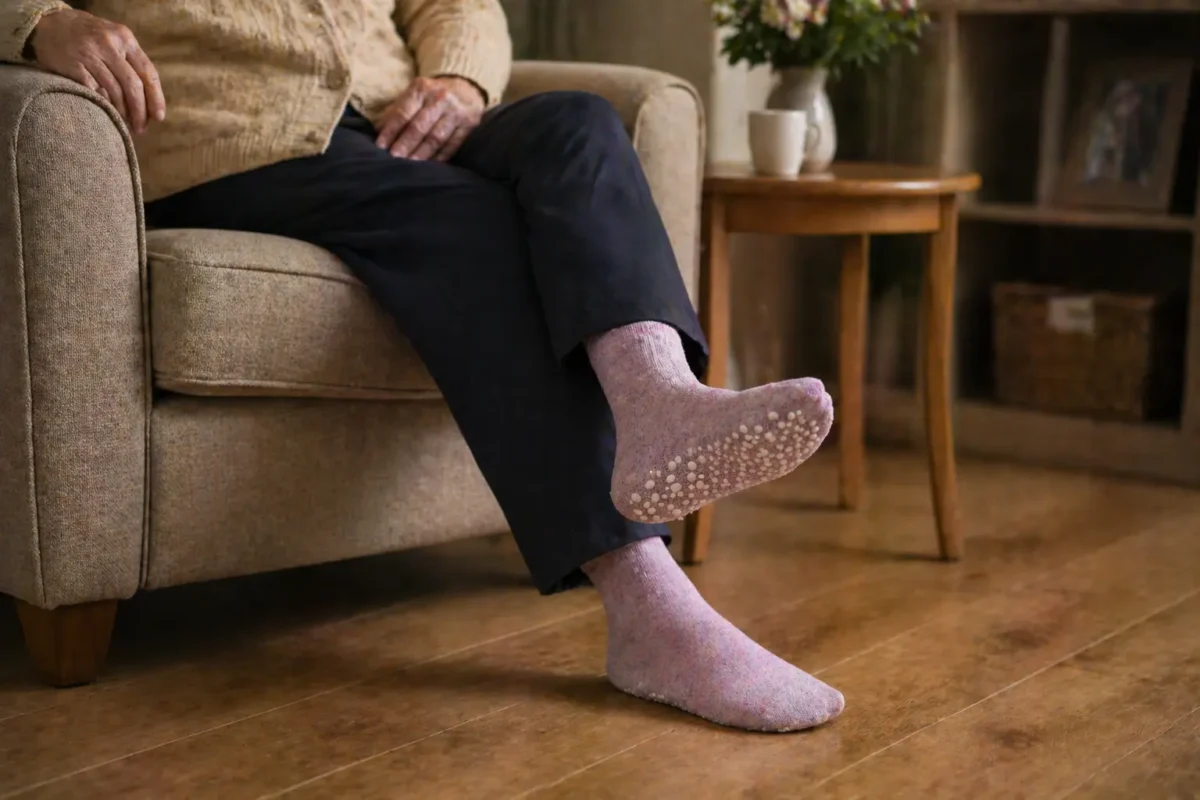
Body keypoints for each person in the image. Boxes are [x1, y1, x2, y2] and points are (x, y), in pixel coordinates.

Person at [1, 0, 844, 732]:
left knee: (579, 126)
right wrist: (40, 23)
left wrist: (461, 81)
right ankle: (650, 612)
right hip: (235, 142)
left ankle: (656, 400)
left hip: (394, 119)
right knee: (485, 229)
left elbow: (457, 6)